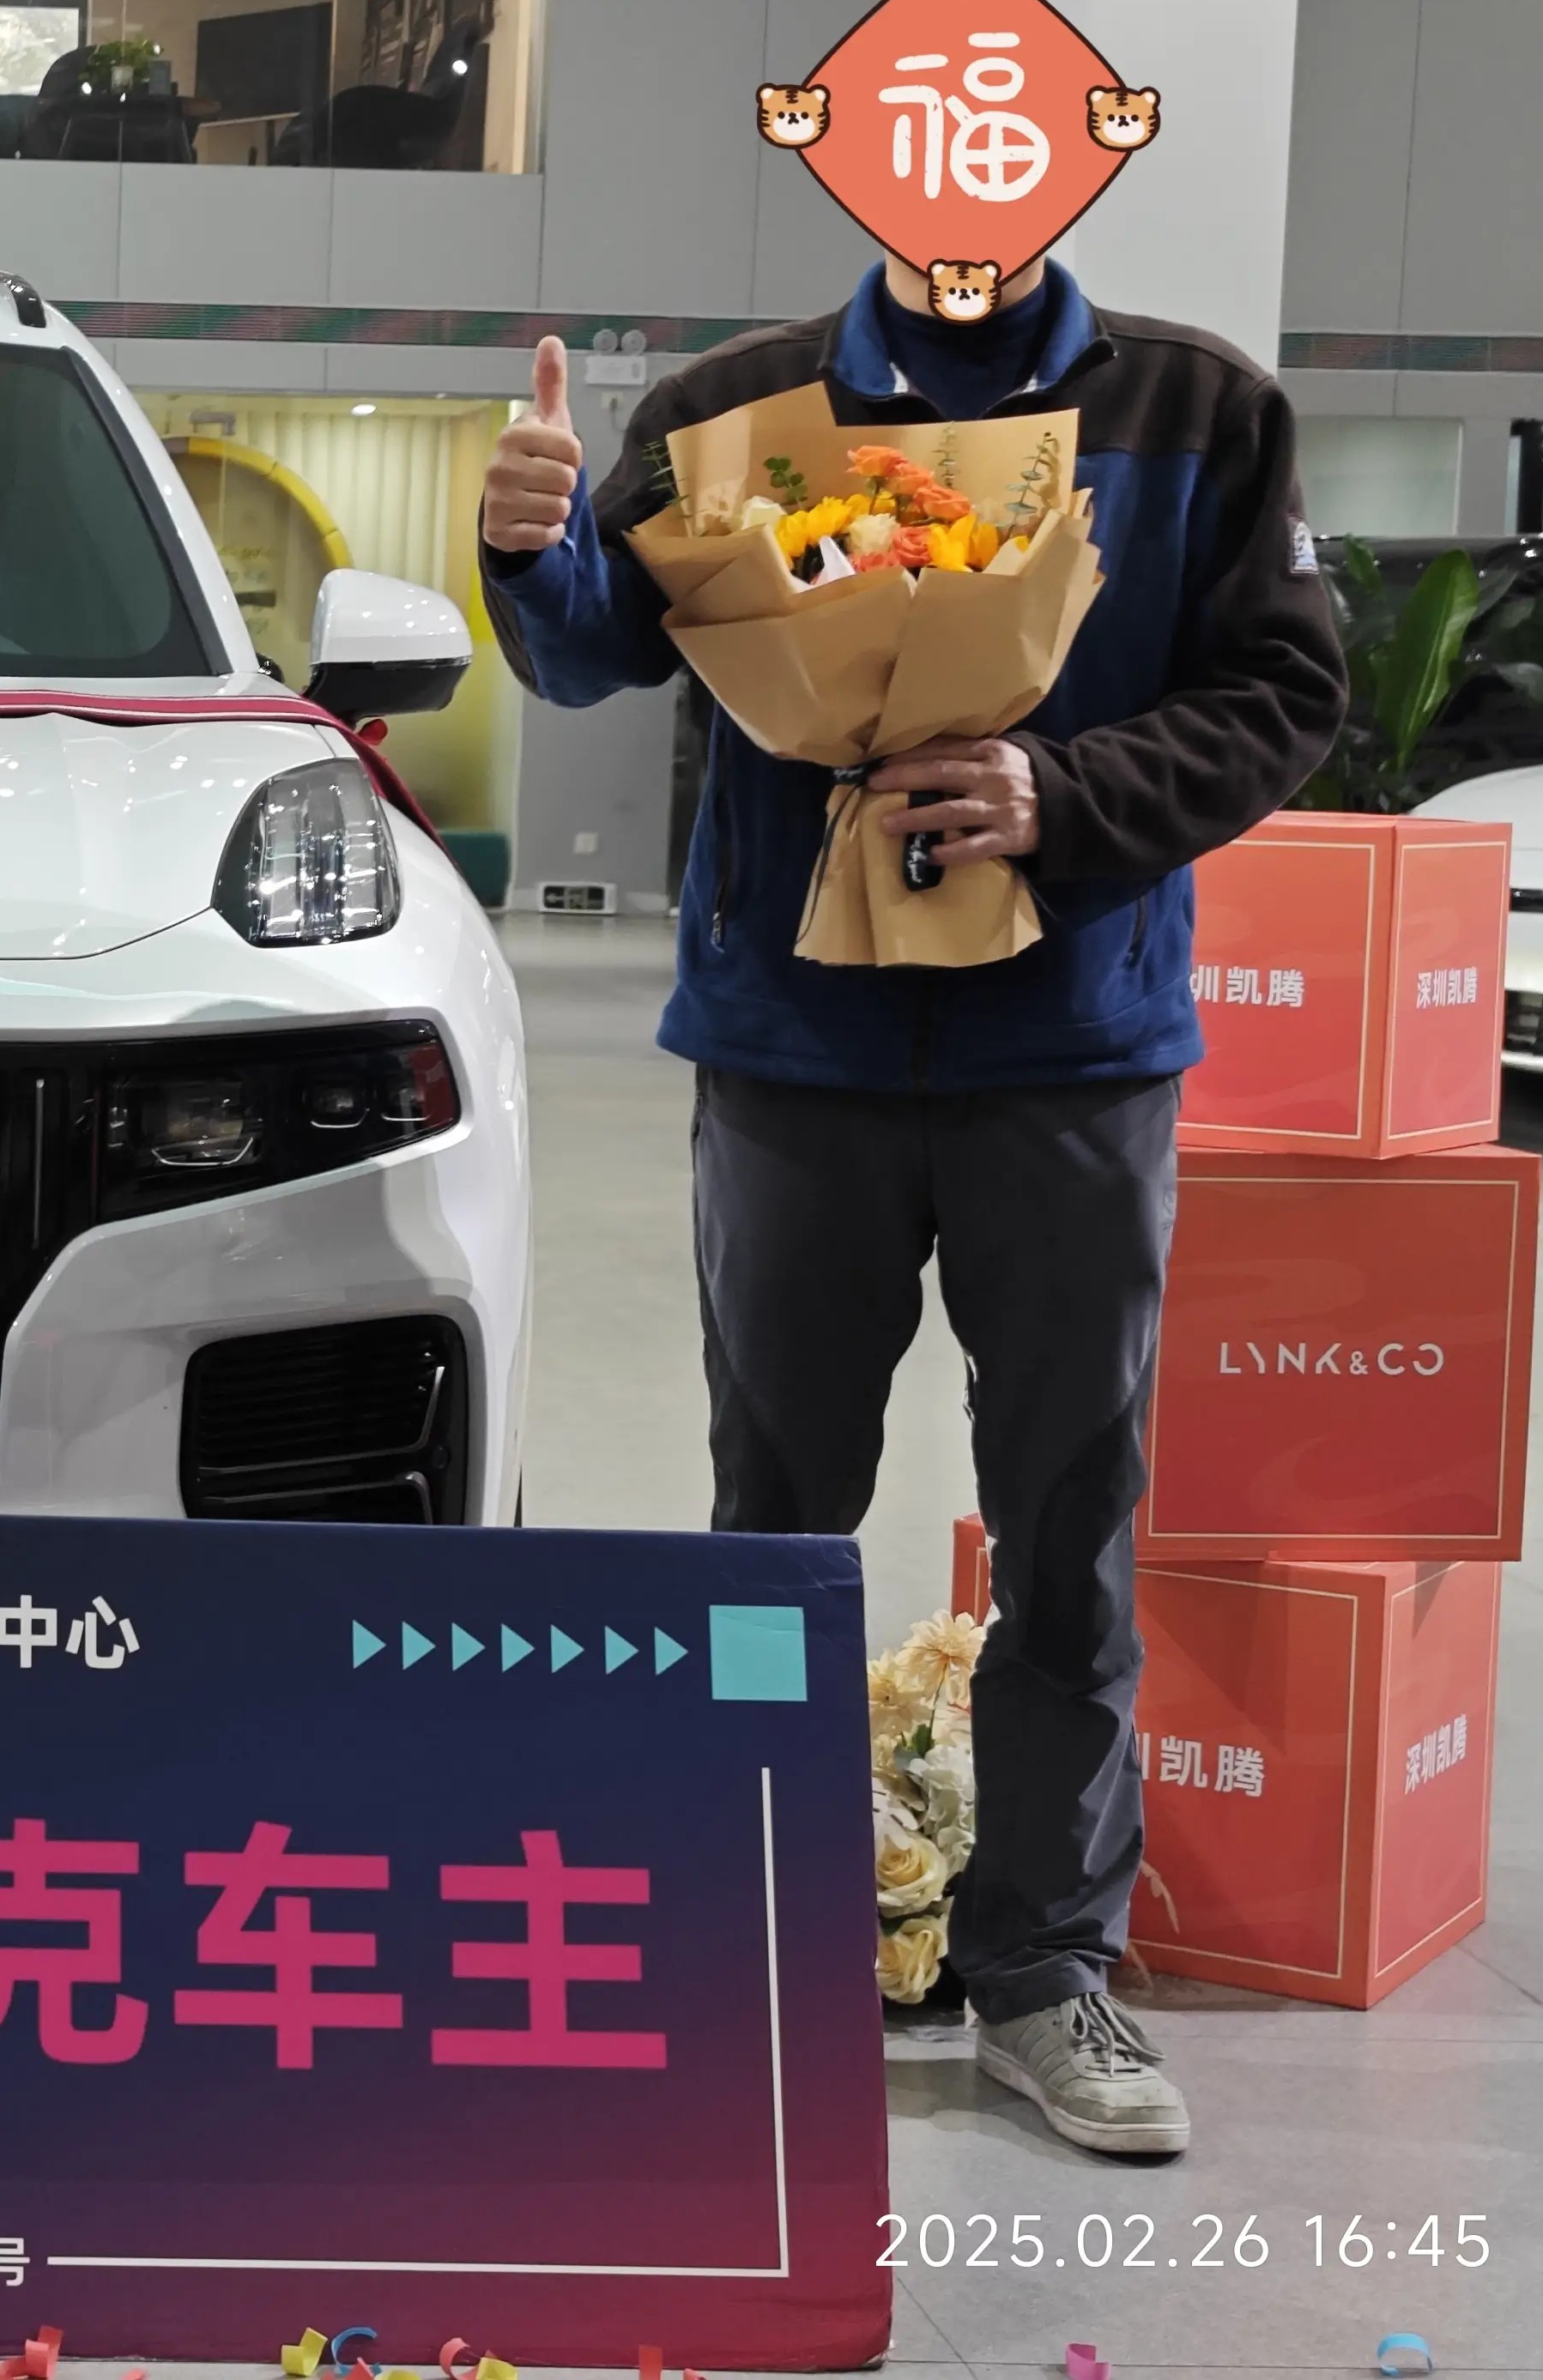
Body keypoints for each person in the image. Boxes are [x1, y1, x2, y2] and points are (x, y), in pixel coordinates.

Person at [477, 256, 1346, 2160]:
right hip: (797, 1046)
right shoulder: (737, 405)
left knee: (1068, 1518)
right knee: (772, 1515)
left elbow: (1286, 687)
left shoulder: (1191, 409)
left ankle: (1043, 1967)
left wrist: (1064, 789)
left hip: (1073, 1048)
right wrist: (533, 551)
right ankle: (752, 1937)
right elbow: (592, 651)